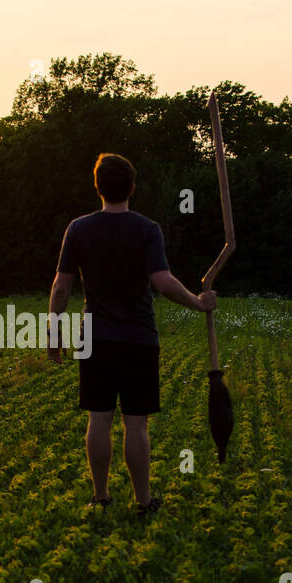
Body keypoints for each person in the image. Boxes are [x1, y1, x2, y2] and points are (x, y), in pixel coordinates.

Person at [47, 153, 217, 515]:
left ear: (97, 187)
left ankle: (100, 496)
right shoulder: (147, 229)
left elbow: (62, 286)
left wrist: (53, 328)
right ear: (133, 188)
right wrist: (198, 303)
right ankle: (142, 500)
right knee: (135, 423)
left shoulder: (78, 228)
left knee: (99, 417)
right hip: (138, 339)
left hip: (94, 336)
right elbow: (163, 282)